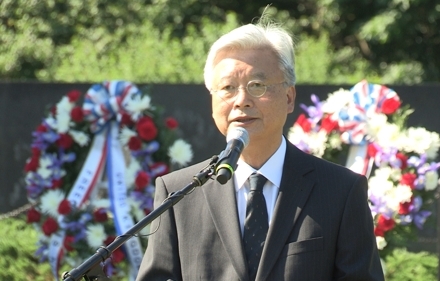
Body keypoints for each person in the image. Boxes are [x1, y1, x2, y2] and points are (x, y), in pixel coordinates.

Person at [136, 14, 384, 281]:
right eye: (228, 88)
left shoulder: (340, 191)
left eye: (257, 85)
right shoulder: (179, 193)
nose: (241, 100)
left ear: (289, 98)